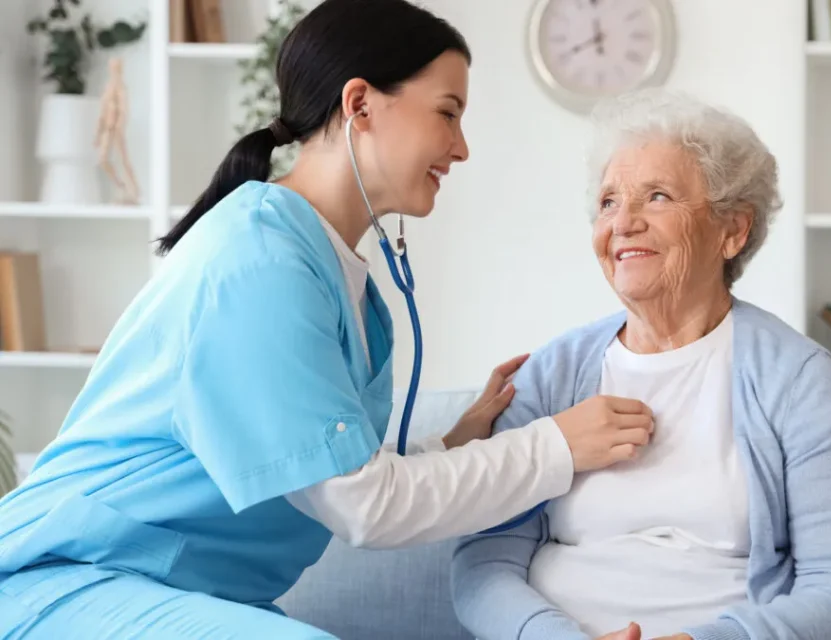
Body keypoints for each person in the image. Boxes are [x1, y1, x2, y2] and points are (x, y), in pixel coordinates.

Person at [0, 1, 656, 637]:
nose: (461, 148)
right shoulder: (258, 262)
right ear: (360, 104)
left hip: (173, 594)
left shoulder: (339, 281)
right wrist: (558, 446)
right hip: (69, 582)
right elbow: (363, 507)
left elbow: (329, 470)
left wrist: (452, 445)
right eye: (448, 113)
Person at [450, 89, 831, 640]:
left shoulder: (796, 378)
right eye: (609, 202)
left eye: (656, 196)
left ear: (732, 230)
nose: (624, 222)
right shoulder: (551, 374)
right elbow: (484, 562)